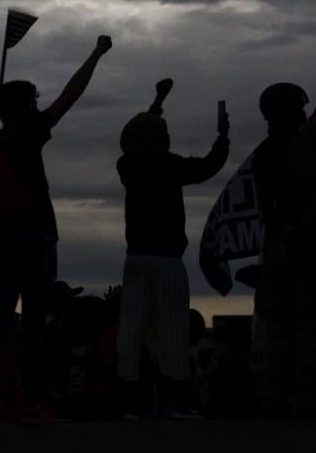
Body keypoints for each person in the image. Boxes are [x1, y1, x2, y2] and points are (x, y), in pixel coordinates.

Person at [0, 35, 111, 423]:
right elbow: (71, 95)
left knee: (0, 320)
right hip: (33, 240)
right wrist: (96, 53)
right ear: (24, 108)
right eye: (32, 102)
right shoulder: (27, 135)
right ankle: (31, 400)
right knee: (33, 321)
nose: (38, 107)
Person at [115, 77, 230, 417]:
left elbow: (143, 137)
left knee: (130, 330)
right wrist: (223, 138)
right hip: (166, 259)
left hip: (134, 258)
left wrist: (157, 104)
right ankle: (175, 398)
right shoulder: (168, 165)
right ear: (160, 140)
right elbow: (209, 166)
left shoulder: (128, 165)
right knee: (173, 331)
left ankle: (129, 400)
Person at [253, 35, 316, 417]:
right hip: (310, 248)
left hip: (277, 251)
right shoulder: (303, 142)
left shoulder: (261, 155)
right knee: (315, 327)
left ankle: (276, 399)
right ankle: (310, 400)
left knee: (279, 328)